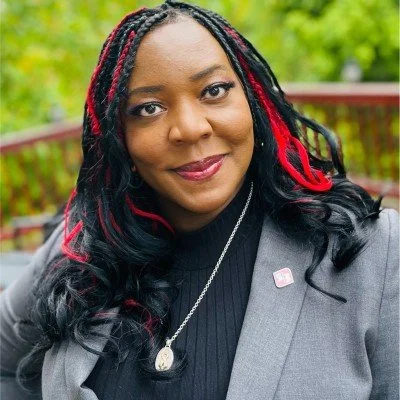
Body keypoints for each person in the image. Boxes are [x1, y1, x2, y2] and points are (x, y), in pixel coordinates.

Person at [1, 1, 398, 399]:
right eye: (149, 108)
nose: (190, 129)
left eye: (214, 90)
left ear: (253, 101)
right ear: (119, 138)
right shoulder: (86, 249)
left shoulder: (370, 253)